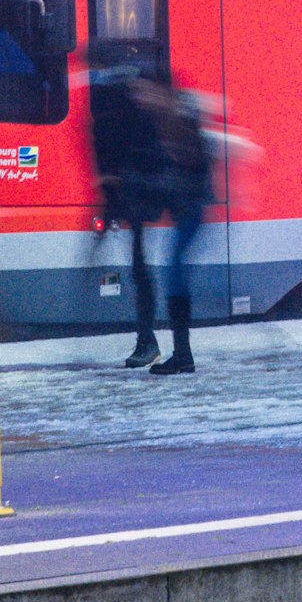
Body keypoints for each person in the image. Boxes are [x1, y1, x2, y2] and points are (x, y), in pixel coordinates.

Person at [89, 51, 212, 375]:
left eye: (144, 90)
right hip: (178, 204)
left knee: (174, 273)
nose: (138, 96)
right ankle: (180, 353)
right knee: (172, 273)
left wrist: (135, 185)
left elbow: (185, 168)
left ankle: (182, 354)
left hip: (189, 206)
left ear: (159, 90)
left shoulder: (178, 118)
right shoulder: (151, 120)